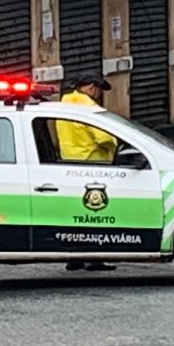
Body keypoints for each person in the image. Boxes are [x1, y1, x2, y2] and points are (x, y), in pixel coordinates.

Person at [56, 74, 117, 272]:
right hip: (94, 165)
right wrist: (115, 143)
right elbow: (103, 137)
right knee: (96, 215)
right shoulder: (87, 107)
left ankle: (74, 258)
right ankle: (95, 258)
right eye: (98, 91)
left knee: (75, 216)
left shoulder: (64, 104)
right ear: (91, 87)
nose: (98, 95)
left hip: (69, 164)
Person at [55, 75, 117, 163]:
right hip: (92, 162)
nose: (100, 95)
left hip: (68, 160)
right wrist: (115, 146)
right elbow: (104, 139)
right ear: (92, 88)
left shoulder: (64, 103)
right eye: (100, 91)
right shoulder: (89, 107)